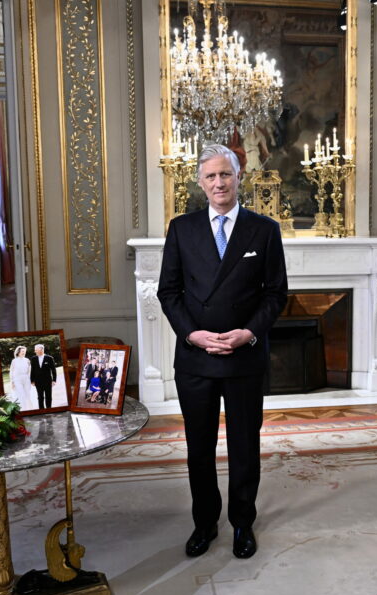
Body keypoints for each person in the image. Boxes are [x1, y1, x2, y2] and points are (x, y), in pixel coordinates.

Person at [158, 143, 288, 560]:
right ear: (200, 182)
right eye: (211, 176)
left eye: (226, 175)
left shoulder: (264, 229)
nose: (219, 183)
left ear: (239, 178)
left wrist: (247, 333)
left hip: (244, 356)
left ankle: (242, 524)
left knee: (245, 446)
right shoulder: (181, 228)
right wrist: (192, 334)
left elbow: (276, 295)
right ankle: (204, 523)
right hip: (195, 357)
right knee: (199, 447)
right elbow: (169, 292)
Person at [29, 343, 58, 409]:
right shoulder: (33, 359)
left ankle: (49, 409)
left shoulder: (49, 358)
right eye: (35, 350)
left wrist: (54, 380)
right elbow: (32, 370)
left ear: (41, 349)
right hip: (38, 381)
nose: (35, 351)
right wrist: (32, 380)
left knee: (48, 396)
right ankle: (41, 410)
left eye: (36, 350)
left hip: (48, 381)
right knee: (40, 396)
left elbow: (53, 370)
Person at [8, 346, 36, 410]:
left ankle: (31, 409)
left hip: (26, 379)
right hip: (17, 379)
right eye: (22, 351)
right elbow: (11, 372)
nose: (24, 352)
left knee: (28, 394)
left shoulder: (27, 360)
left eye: (25, 351)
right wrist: (12, 382)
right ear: (18, 352)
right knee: (21, 395)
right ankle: (24, 409)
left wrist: (31, 380)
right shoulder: (14, 361)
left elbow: (30, 371)